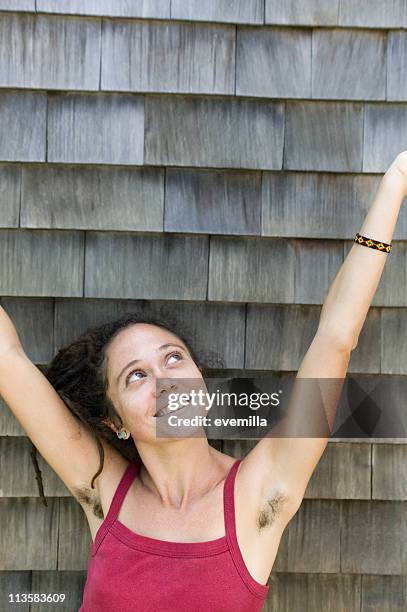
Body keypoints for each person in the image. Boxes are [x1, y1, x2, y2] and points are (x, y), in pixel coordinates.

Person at [1, 152, 407, 611]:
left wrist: (397, 179)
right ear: (117, 421)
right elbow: (7, 359)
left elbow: (336, 337)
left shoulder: (259, 495)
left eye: (173, 358)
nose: (164, 380)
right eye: (136, 375)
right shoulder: (103, 489)